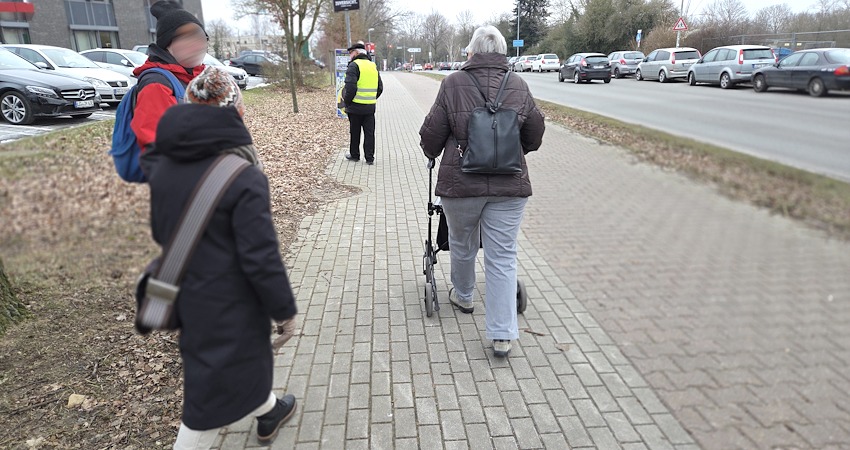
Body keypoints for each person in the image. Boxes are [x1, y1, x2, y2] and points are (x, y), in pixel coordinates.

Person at [146, 67, 298, 449]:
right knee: (205, 401)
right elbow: (260, 257)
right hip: (229, 304)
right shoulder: (243, 176)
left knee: (239, 367)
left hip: (185, 293)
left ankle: (269, 411)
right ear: (237, 113)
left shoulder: (163, 168)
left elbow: (160, 232)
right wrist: (284, 311)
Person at [418, 26, 545, 358]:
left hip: (461, 185)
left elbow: (431, 137)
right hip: (509, 186)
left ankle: (463, 295)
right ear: (502, 53)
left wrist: (436, 148)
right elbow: (534, 133)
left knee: (462, 243)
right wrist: (509, 149)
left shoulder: (452, 84)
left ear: (471, 53)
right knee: (502, 256)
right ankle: (503, 335)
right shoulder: (518, 84)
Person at [132, 0, 207, 169]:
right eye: (188, 39)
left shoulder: (194, 75)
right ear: (168, 44)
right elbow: (157, 149)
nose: (198, 45)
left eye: (201, 38)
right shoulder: (156, 85)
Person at [343, 42, 383, 165]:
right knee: (369, 133)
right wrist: (371, 98)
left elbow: (350, 88)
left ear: (356, 53)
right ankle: (369, 158)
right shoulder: (372, 66)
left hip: (355, 106)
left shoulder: (354, 66)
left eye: (351, 53)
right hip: (370, 107)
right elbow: (380, 87)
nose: (350, 56)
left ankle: (355, 155)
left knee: (355, 132)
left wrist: (347, 102)